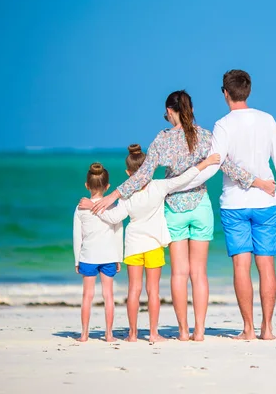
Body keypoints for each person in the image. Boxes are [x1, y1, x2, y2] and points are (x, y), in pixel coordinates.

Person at [89, 90, 275, 341]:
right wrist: (259, 183)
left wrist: (114, 196)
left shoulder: (162, 140)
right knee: (199, 273)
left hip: (174, 209)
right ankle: (199, 331)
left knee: (179, 274)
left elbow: (143, 175)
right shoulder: (206, 136)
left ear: (168, 111)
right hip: (200, 207)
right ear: (191, 109)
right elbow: (227, 167)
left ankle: (183, 332)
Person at [184, 70, 276, 340]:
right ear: (248, 90)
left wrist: (185, 182)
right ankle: (267, 329)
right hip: (266, 202)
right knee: (267, 264)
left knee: (241, 267)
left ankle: (247, 329)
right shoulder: (267, 120)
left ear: (225, 93)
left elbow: (216, 162)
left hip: (234, 203)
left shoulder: (223, 124)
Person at [80, 145, 221, 342]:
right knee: (153, 291)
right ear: (148, 168)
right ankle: (153, 334)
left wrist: (92, 205)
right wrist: (205, 163)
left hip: (133, 246)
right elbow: (184, 178)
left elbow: (112, 218)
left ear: (128, 172)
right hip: (154, 245)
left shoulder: (127, 195)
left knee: (133, 290)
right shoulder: (159, 186)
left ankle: (132, 334)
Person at [73, 163, 123, 342]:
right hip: (109, 256)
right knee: (108, 295)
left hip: (88, 257)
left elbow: (77, 236)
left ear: (86, 185)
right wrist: (119, 257)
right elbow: (118, 233)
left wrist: (77, 260)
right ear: (107, 187)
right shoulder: (112, 207)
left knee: (87, 295)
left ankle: (84, 334)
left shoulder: (80, 208)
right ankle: (109, 334)